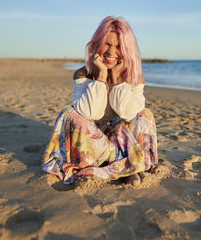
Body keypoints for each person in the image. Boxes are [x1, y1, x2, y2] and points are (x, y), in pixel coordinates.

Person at [42, 16, 158, 185]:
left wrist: (117, 78)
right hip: (95, 147)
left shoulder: (135, 76)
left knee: (144, 114)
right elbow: (91, 113)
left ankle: (126, 166)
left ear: (127, 49)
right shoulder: (83, 74)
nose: (111, 52)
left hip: (122, 142)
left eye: (118, 46)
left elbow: (128, 113)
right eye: (107, 44)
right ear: (97, 44)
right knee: (70, 113)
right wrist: (102, 76)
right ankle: (125, 168)